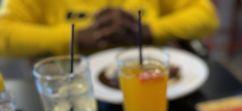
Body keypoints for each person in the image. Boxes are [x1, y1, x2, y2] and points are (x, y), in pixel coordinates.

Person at [0, 0, 219, 57]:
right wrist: (73, 38)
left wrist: (147, 31)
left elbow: (206, 15)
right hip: (75, 96)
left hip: (153, 85)